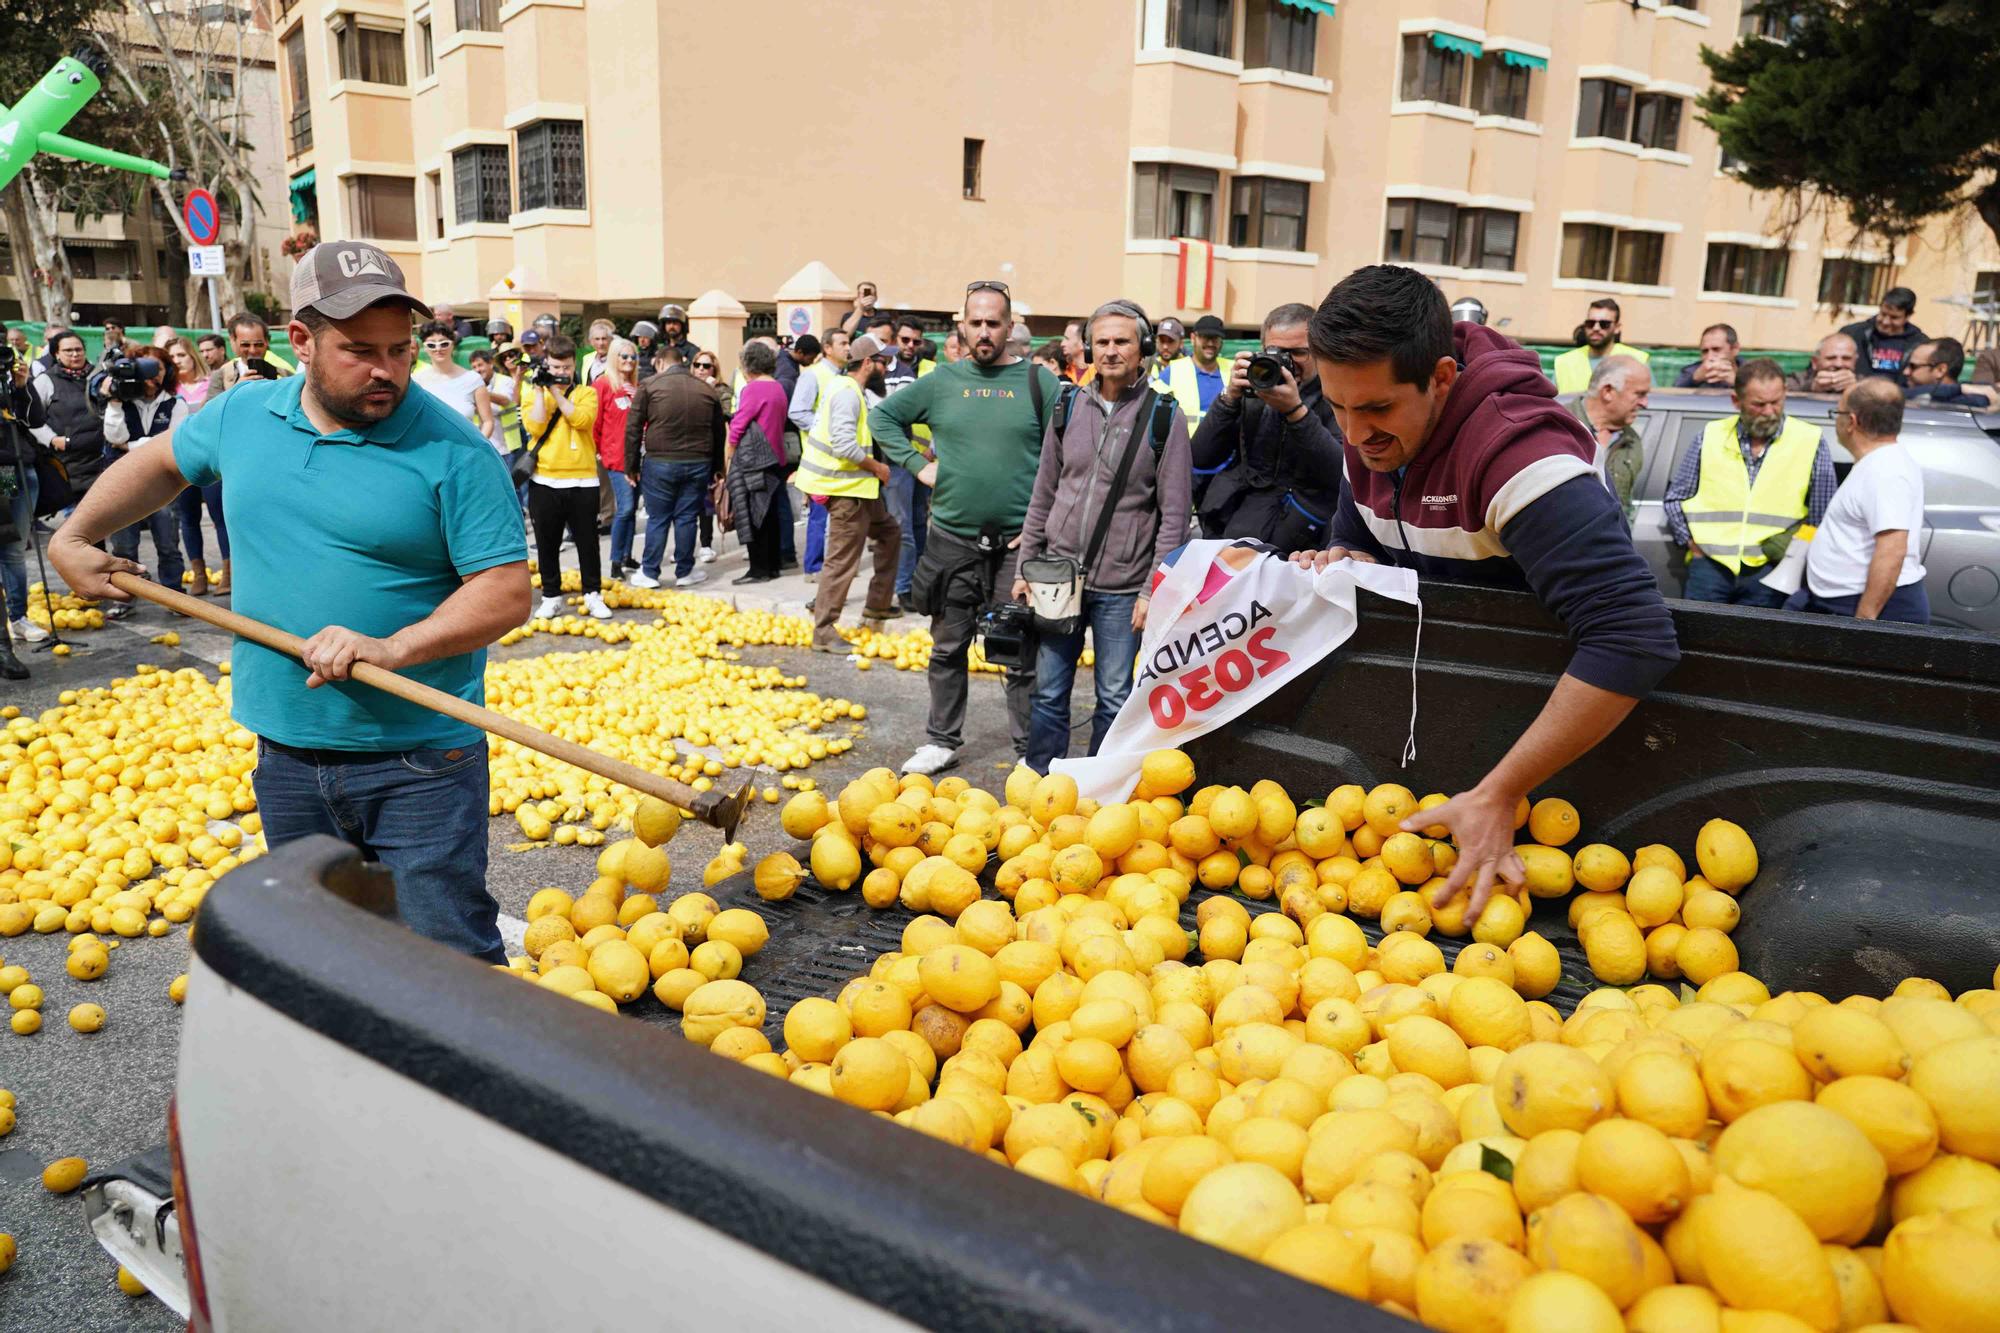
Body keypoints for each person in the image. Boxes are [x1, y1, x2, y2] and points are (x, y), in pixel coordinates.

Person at [51, 242, 529, 961]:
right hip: (287, 753)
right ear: (300, 341)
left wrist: (393, 647)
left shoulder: (456, 449)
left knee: (450, 963)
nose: (386, 371)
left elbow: (504, 590)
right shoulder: (244, 414)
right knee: (323, 954)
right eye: (359, 350)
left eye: (399, 351)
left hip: (420, 764)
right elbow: (157, 463)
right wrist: (77, 535)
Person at [1296, 263, 1680, 917]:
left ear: (1442, 378)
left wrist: (1501, 791)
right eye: (1336, 406)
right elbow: (1359, 533)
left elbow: (1632, 636)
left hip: (1543, 762)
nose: (1355, 437)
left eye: (1377, 408)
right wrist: (1341, 561)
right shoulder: (1369, 437)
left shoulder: (1519, 458)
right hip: (1433, 744)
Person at [872, 281, 1060, 775]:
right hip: (952, 542)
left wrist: (1043, 524)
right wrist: (917, 465)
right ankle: (941, 739)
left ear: (1008, 326)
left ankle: (1030, 751)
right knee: (947, 645)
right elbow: (883, 419)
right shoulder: (941, 383)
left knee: (1019, 651)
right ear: (961, 325)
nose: (983, 331)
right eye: (974, 322)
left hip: (1018, 544)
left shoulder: (1040, 383)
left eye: (992, 323)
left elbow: (1064, 457)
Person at [1015, 301, 1193, 773]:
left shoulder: (1164, 416)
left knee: (1114, 698)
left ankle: (1097, 790)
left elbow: (1173, 515)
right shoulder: (1067, 404)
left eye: (1122, 342)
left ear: (1143, 350)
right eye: (1103, 341)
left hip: (1123, 587)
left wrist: (1153, 588)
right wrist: (1025, 567)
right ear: (1090, 347)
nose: (1111, 351)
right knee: (1049, 692)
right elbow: (1044, 491)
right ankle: (1039, 783)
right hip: (1057, 578)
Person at [1664, 358, 1837, 607]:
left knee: (1757, 644)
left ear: (1785, 394)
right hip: (1711, 566)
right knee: (1699, 641)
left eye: (1776, 402)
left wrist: (1790, 560)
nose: (1769, 411)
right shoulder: (1710, 435)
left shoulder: (1810, 439)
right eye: (1759, 404)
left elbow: (1820, 516)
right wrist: (1691, 544)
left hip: (1770, 570)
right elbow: (1675, 499)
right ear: (1737, 401)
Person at [1188, 302, 1344, 554]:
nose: (1286, 363)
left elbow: (1340, 473)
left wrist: (1295, 412)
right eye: (1276, 352)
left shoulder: (1338, 397)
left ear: (1319, 351)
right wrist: (1228, 400)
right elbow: (1200, 456)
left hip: (1296, 549)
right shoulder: (1252, 390)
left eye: (1298, 353)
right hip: (1229, 535)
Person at [1802, 379, 1929, 624]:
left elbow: (1892, 549)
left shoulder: (1885, 470)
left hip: (1870, 607)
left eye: (1836, 412)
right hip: (1847, 601)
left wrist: (1863, 622)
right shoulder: (1878, 463)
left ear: (1852, 421)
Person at [805, 334, 901, 650]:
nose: (886, 367)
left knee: (889, 534)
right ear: (868, 363)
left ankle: (877, 604)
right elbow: (845, 445)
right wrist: (878, 468)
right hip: (846, 491)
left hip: (860, 490)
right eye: (882, 361)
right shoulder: (846, 393)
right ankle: (824, 630)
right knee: (842, 561)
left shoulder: (854, 390)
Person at [519, 334, 610, 622]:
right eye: (556, 367)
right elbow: (534, 426)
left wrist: (557, 392)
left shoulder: (587, 393)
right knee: (547, 542)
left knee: (587, 542)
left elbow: (582, 420)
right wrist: (538, 391)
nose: (561, 373)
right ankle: (550, 596)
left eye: (567, 367)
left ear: (574, 366)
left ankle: (593, 594)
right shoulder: (533, 391)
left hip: (583, 480)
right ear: (547, 364)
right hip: (545, 480)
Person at [625, 337, 723, 588]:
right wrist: (717, 468)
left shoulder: (649, 385)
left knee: (658, 518)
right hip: (698, 461)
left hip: (660, 462)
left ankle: (649, 572)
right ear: (684, 363)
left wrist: (631, 466)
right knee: (687, 517)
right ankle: (684, 571)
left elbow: (634, 429)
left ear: (659, 363)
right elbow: (718, 432)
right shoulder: (707, 390)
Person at [99, 346, 189, 600]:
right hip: (122, 485)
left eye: (157, 369)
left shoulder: (175, 403)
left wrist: (131, 447)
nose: (151, 375)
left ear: (167, 372)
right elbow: (113, 436)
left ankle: (174, 594)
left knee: (168, 543)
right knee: (123, 546)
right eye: (144, 369)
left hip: (163, 484)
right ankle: (125, 598)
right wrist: (115, 400)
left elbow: (173, 443)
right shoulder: (122, 401)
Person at [725, 339, 791, 584]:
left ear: (747, 365)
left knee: (754, 514)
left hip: (754, 460)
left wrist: (730, 454)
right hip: (775, 457)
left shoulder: (752, 389)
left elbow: (738, 425)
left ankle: (759, 569)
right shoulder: (777, 387)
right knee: (770, 513)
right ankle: (772, 565)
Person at [166, 338, 228, 594]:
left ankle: (229, 573)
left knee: (220, 516)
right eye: (172, 356)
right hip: (180, 459)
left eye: (181, 354)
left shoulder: (211, 382)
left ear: (192, 356)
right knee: (188, 518)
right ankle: (199, 574)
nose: (177, 360)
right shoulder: (168, 389)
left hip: (210, 458)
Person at [883, 317, 936, 612]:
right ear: (895, 340)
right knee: (901, 524)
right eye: (905, 340)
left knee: (918, 523)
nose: (911, 346)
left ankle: (918, 582)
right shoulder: (889, 371)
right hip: (899, 459)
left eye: (916, 341)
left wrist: (933, 448)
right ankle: (904, 586)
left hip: (925, 461)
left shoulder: (930, 369)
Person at [789, 328, 850, 579]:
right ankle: (814, 567)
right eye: (843, 343)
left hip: (844, 460)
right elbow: (797, 412)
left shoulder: (845, 375)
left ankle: (835, 565)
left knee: (842, 517)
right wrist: (826, 429)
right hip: (820, 459)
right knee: (819, 515)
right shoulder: (813, 376)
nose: (849, 348)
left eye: (850, 343)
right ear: (827, 348)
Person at [1567, 354, 1652, 525]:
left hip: (1605, 548)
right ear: (1607, 392)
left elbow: (1625, 504)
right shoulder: (1559, 425)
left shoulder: (1631, 440)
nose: (1645, 403)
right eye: (1639, 394)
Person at [29, 330, 111, 503]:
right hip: (66, 462)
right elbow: (31, 419)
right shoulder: (45, 381)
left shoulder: (98, 377)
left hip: (101, 459)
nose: (75, 354)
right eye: (68, 351)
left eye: (79, 349)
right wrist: (51, 439)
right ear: (56, 354)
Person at [3, 345, 48, 646]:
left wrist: (21, 386)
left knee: (13, 547)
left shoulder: (9, 380)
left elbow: (35, 419)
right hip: (5, 471)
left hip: (16, 467)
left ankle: (17, 617)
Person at [593, 337, 642, 579]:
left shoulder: (637, 387)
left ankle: (626, 555)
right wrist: (598, 450)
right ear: (614, 357)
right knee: (625, 508)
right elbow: (595, 420)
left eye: (633, 357)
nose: (629, 361)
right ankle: (614, 561)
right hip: (615, 457)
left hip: (638, 457)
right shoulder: (603, 384)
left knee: (631, 509)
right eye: (624, 356)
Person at [412, 320, 496, 439]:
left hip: (466, 452)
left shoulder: (472, 379)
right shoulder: (416, 381)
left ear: (452, 344)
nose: (438, 349)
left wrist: (477, 448)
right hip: (430, 452)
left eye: (444, 343)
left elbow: (488, 422)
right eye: (431, 345)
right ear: (425, 348)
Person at [1551, 299, 1649, 394]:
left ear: (1617, 328)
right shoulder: (1564, 362)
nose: (1596, 328)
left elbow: (1650, 402)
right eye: (1590, 323)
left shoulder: (1637, 360)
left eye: (1604, 324)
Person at [1840, 287, 1926, 384]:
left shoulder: (1920, 344)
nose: (1885, 322)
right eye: (1883, 314)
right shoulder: (1853, 334)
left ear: (1908, 316)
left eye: (1894, 317)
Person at [1157, 313, 1227, 429]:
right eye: (1205, 337)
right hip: (1186, 445)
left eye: (1215, 338)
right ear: (1193, 338)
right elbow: (1151, 410)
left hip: (1225, 446)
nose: (1210, 343)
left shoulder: (1232, 369)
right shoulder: (1174, 371)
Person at [206, 313, 290, 399]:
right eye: (245, 345)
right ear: (233, 342)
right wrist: (235, 390)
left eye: (258, 344)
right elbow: (211, 409)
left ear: (267, 342)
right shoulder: (221, 375)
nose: (252, 350)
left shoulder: (284, 374)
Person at [1904, 338, 1995, 407]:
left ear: (1940, 370)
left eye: (1913, 366)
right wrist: (1959, 388)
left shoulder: (1967, 402)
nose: (1906, 372)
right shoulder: (1912, 391)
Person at [469, 346, 516, 453]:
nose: (478, 370)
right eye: (474, 367)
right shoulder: (471, 386)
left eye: (480, 365)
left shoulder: (505, 381)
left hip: (507, 447)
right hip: (485, 446)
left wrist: (481, 392)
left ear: (490, 364)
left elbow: (505, 401)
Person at [1784, 331, 1860, 394]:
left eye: (1846, 358)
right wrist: (1811, 387)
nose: (1838, 364)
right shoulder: (1797, 379)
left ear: (1855, 361)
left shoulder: (1863, 383)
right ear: (1815, 362)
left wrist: (1856, 390)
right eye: (1831, 358)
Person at [1674, 323, 1740, 388]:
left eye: (1716, 349)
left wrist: (1737, 384)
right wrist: (1694, 379)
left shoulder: (1748, 371)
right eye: (1705, 351)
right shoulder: (1692, 371)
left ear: (1735, 349)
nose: (1709, 356)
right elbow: (1673, 393)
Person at [581, 318, 616, 383]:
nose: (601, 343)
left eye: (604, 339)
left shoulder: (617, 358)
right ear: (591, 341)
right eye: (597, 339)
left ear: (611, 340)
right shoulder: (587, 358)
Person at [1059, 320, 1091, 384]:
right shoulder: (1063, 371)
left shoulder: (1099, 373)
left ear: (1083, 343)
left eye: (1067, 339)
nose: (1062, 344)